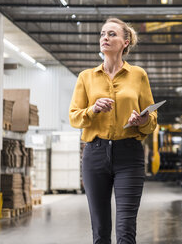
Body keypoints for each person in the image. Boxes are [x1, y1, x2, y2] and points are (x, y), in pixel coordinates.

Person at [69, 18, 157, 244]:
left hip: (129, 154)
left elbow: (152, 119)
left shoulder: (138, 75)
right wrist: (92, 110)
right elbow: (74, 116)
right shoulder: (86, 77)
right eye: (102, 34)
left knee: (126, 227)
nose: (105, 38)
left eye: (112, 34)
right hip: (95, 154)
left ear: (125, 43)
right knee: (100, 229)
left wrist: (141, 120)